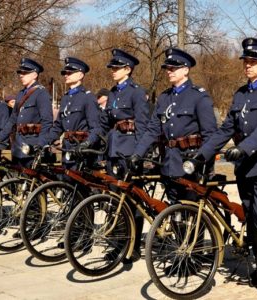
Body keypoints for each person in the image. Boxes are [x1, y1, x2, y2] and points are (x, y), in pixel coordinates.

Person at [194, 38, 257, 297]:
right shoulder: (241, 94)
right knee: (250, 213)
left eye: (253, 61)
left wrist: (245, 147)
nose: (248, 66)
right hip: (245, 167)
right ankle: (255, 261)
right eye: (246, 61)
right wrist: (202, 154)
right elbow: (226, 129)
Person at [130, 47, 217, 202]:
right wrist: (138, 153)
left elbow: (210, 134)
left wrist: (204, 164)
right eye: (168, 68)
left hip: (190, 164)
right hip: (169, 163)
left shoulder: (198, 96)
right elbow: (152, 130)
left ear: (185, 70)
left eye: (173, 68)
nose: (169, 71)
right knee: (173, 211)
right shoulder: (164, 98)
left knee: (190, 214)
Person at [100, 49, 150, 262]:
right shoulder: (113, 92)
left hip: (129, 151)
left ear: (128, 70)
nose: (113, 71)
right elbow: (104, 121)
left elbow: (143, 125)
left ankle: (134, 246)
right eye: (112, 68)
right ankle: (120, 243)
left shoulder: (136, 92)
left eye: (117, 68)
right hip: (114, 149)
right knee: (115, 199)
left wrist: (138, 153)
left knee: (132, 200)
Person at [48, 57, 101, 169]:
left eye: (70, 72)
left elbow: (96, 128)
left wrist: (86, 144)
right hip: (66, 150)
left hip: (81, 153)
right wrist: (45, 141)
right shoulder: (65, 98)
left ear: (81, 75)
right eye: (65, 73)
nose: (66, 75)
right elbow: (57, 126)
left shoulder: (88, 97)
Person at [0, 58, 53, 168]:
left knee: (32, 183)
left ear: (34, 74)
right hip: (18, 147)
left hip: (32, 147)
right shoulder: (20, 94)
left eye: (25, 73)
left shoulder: (41, 93)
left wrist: (41, 144)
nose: (21, 75)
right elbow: (12, 120)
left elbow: (47, 122)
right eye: (20, 73)